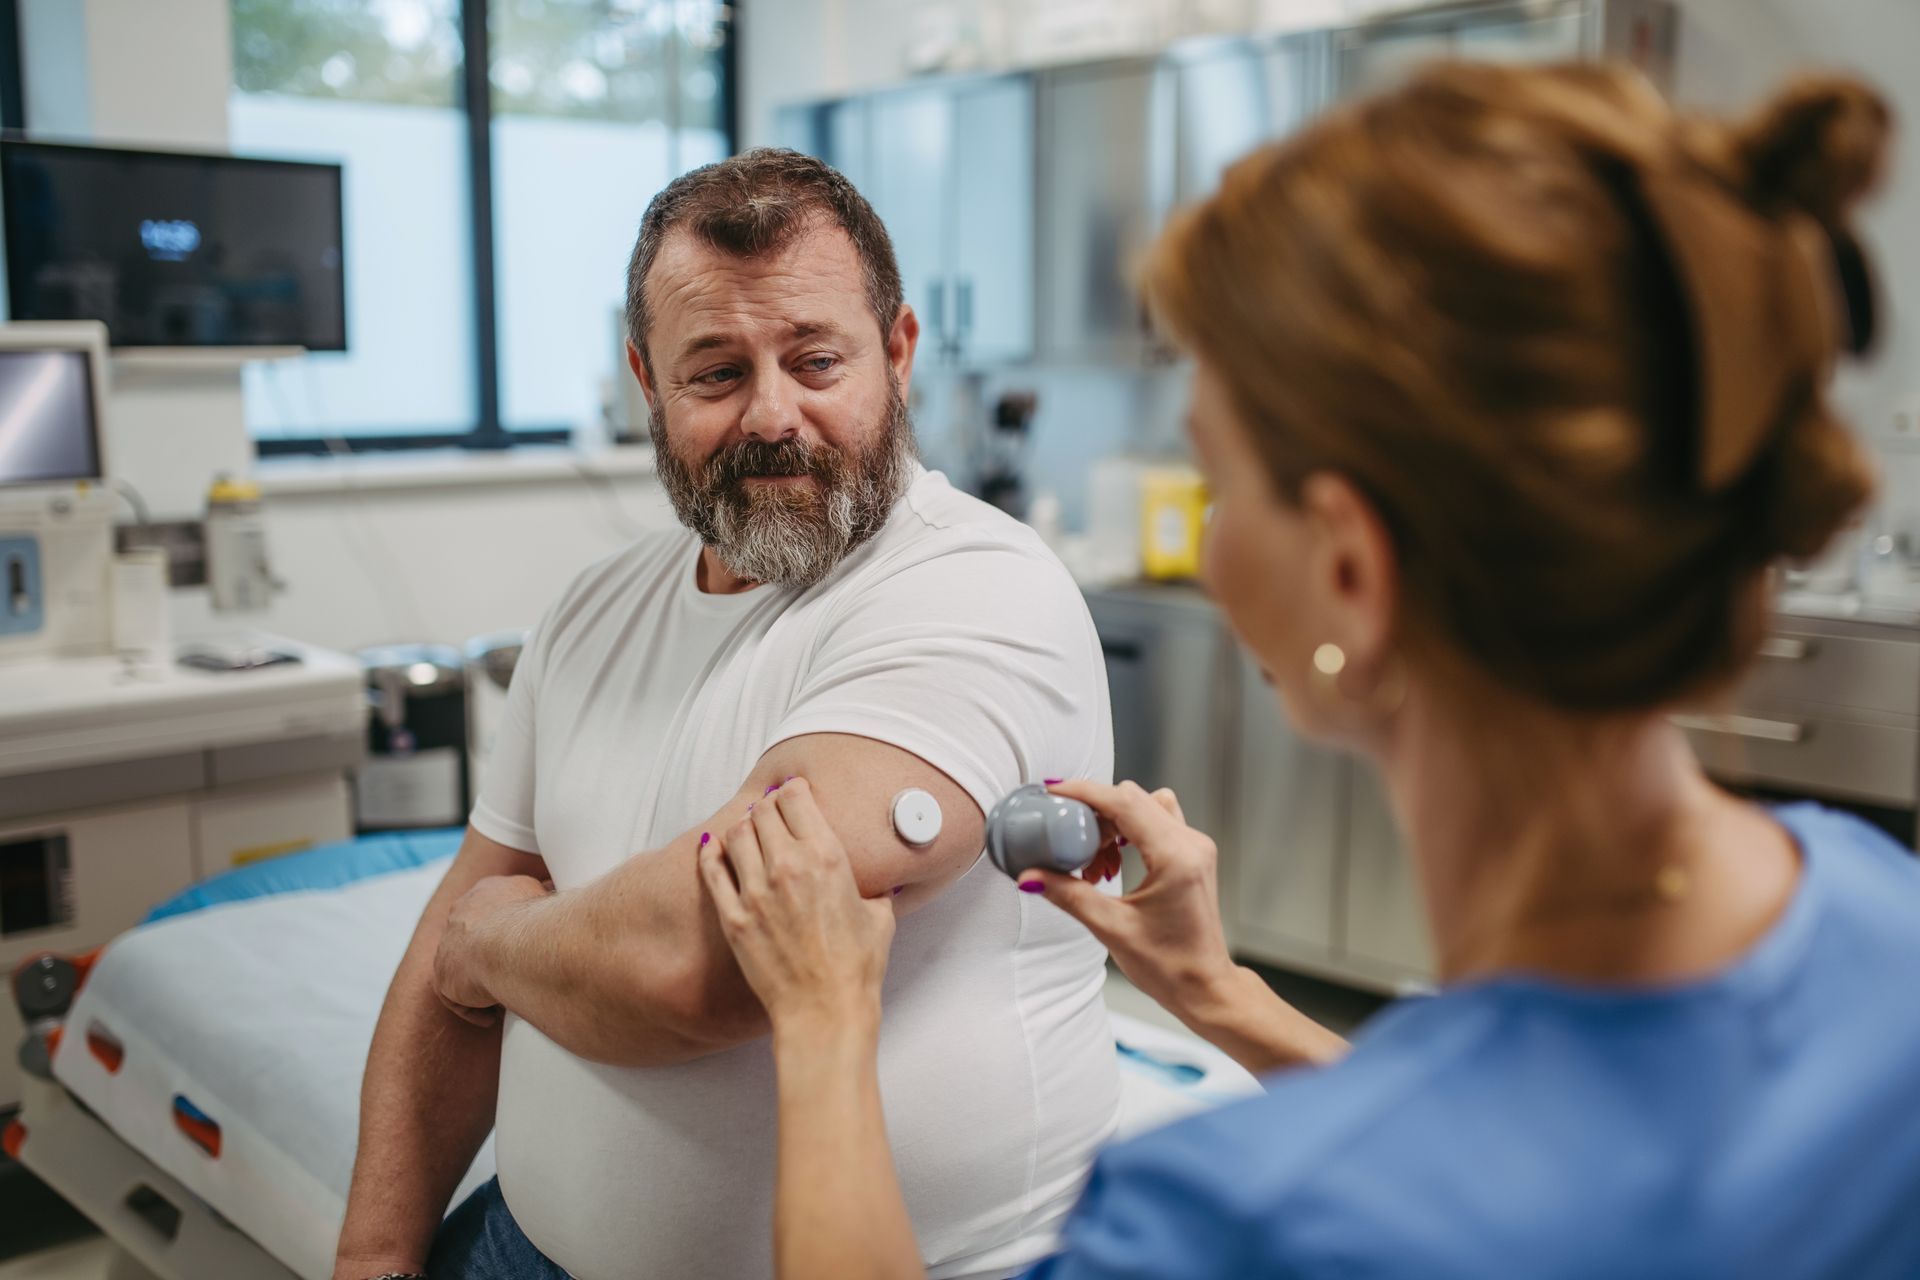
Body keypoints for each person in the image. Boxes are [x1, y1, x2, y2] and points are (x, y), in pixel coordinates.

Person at [697, 64, 1920, 1279]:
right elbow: (1528, 1152)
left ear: (1349, 572)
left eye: (1220, 475)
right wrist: (1223, 993)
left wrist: (820, 1022)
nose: (1213, 537)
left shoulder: (1234, 1224)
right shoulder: (1879, 920)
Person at [332, 149, 1124, 1280]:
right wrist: (373, 1255)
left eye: (816, 360)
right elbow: (455, 932)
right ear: (644, 381)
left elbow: (704, 961)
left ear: (897, 354)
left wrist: (495, 943)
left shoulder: (979, 588)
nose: (772, 414)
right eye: (713, 373)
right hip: (525, 1245)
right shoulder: (592, 610)